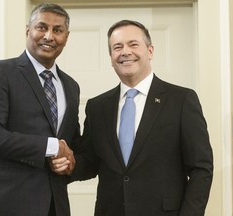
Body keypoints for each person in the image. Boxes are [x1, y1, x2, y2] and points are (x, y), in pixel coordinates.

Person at [52, 20, 213, 215]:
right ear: (111, 58)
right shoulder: (97, 107)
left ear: (150, 51)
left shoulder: (181, 100)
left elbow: (201, 168)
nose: (125, 52)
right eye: (117, 47)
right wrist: (69, 165)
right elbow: (91, 162)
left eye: (133, 44)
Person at [0, 3, 79, 216]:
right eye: (42, 27)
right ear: (28, 30)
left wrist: (69, 162)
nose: (49, 36)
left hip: (55, 206)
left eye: (57, 30)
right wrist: (51, 146)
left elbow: (71, 143)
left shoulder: (71, 86)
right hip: (6, 204)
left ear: (66, 37)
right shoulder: (0, 72)